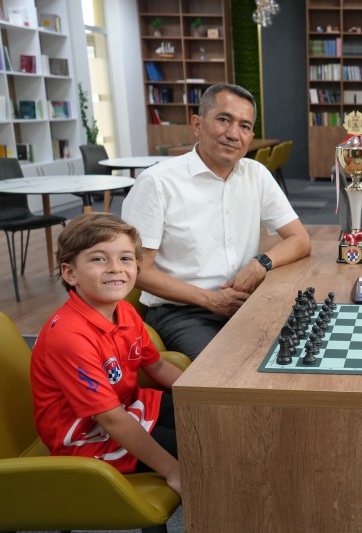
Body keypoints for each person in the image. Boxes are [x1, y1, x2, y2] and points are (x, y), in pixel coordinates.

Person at [122, 83, 311, 360]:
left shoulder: (256, 174)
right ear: (197, 124)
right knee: (229, 371)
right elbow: (136, 270)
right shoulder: (157, 182)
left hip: (242, 301)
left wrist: (261, 263)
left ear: (251, 136)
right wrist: (210, 300)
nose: (233, 134)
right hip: (182, 311)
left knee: (300, 352)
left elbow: (300, 240)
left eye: (244, 126)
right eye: (224, 120)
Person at [30, 213, 183, 495]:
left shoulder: (124, 311)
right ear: (70, 273)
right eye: (99, 259)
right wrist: (174, 470)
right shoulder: (69, 337)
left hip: (129, 408)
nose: (115, 268)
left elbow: (158, 366)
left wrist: (207, 395)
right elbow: (111, 420)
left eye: (125, 258)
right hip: (87, 438)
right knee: (199, 449)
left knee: (209, 421)